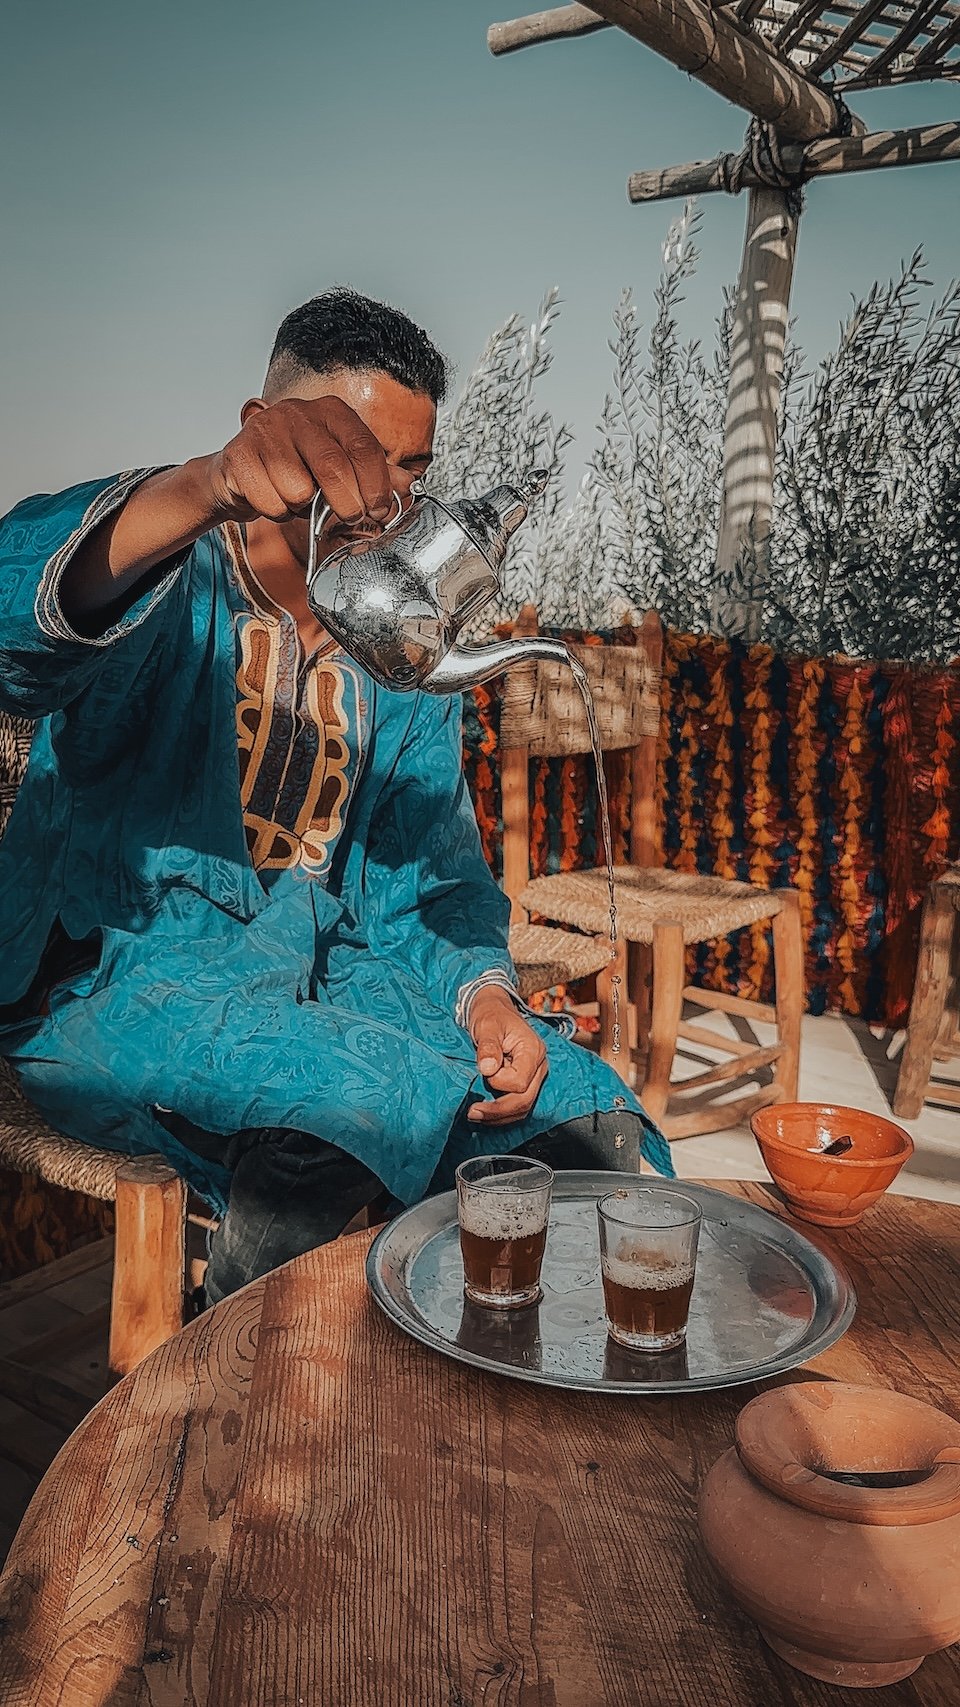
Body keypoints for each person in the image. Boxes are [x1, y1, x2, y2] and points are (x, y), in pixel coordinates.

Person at [0, 288, 672, 1303]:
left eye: (412, 470)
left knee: (587, 1123)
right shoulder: (171, 588)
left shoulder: (395, 645)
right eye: (354, 456)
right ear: (263, 429)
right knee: (353, 1106)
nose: (385, 499)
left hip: (336, 985)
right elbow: (19, 631)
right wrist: (201, 492)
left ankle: (541, 1397)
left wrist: (486, 997)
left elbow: (435, 876)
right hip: (122, 983)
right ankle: (242, 1404)